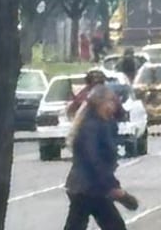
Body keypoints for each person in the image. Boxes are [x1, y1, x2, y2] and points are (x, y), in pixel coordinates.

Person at [63, 84, 139, 230]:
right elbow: (94, 161)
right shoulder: (91, 127)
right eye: (110, 101)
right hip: (87, 188)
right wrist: (113, 187)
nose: (114, 105)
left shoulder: (103, 123)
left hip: (90, 188)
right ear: (100, 103)